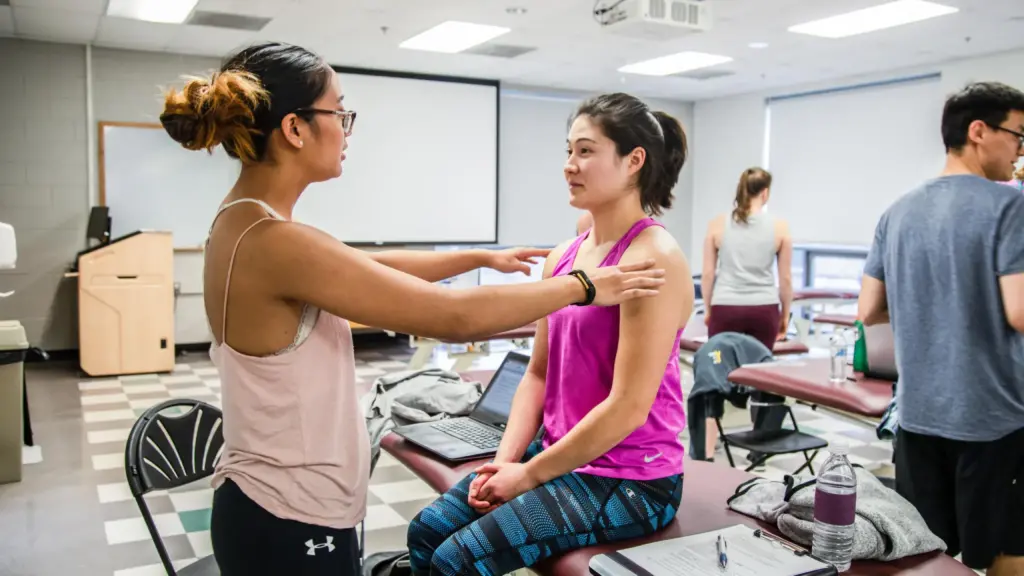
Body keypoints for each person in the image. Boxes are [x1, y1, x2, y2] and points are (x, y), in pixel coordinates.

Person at [158, 42, 667, 576]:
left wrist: (478, 256)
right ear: (294, 128)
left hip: (278, 502)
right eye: (340, 112)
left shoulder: (247, 222)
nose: (347, 129)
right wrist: (581, 285)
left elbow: (366, 265)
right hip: (288, 513)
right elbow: (452, 318)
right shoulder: (273, 241)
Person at [407, 93, 694, 576]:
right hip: (559, 454)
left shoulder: (652, 258)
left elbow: (628, 406)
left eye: (585, 151)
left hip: (629, 478)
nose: (569, 165)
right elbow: (537, 374)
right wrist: (504, 464)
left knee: (456, 561)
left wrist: (529, 476)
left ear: (633, 161)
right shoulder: (563, 257)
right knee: (425, 532)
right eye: (568, 151)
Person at [858, 81, 1024, 576]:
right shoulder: (1010, 206)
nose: (1019, 152)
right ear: (979, 131)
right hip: (992, 421)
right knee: (1005, 553)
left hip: (917, 418)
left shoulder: (898, 211)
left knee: (926, 553)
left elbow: (869, 309)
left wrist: (932, 306)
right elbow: (1019, 312)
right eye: (1018, 136)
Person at [698, 167, 793, 461]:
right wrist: (785, 315)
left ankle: (705, 449)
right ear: (765, 193)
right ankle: (758, 450)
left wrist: (710, 309)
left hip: (725, 309)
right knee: (763, 379)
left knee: (714, 375)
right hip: (763, 311)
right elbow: (786, 280)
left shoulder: (716, 225)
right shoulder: (780, 228)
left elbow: (708, 274)